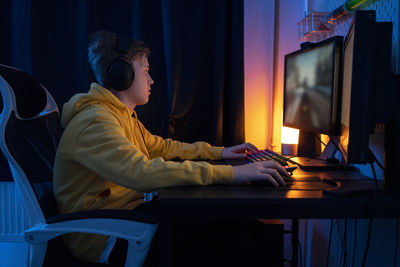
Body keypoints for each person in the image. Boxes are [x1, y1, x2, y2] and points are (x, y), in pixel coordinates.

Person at [53, 30, 288, 265]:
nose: (151, 79)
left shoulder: (118, 115)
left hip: (128, 219)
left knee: (237, 224)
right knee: (236, 237)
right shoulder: (96, 121)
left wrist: (220, 153)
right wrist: (233, 173)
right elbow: (141, 172)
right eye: (145, 70)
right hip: (110, 235)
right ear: (121, 74)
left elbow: (162, 147)